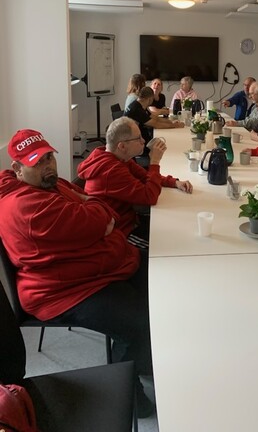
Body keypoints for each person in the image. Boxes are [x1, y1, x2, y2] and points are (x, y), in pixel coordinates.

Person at [0, 129, 154, 417]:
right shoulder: (29, 207)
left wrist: (91, 208)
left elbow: (99, 209)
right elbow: (101, 216)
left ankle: (146, 360)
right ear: (17, 169)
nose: (48, 166)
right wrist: (89, 207)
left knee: (158, 282)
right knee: (141, 322)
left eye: (49, 157)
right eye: (37, 162)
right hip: (61, 291)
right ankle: (130, 395)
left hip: (86, 271)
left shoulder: (48, 185)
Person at [78, 117, 192, 239]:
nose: (143, 141)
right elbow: (149, 197)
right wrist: (155, 161)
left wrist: (174, 182)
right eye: (138, 138)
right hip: (119, 232)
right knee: (173, 237)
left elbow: (145, 176)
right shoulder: (111, 170)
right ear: (122, 146)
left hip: (129, 217)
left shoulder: (117, 157)